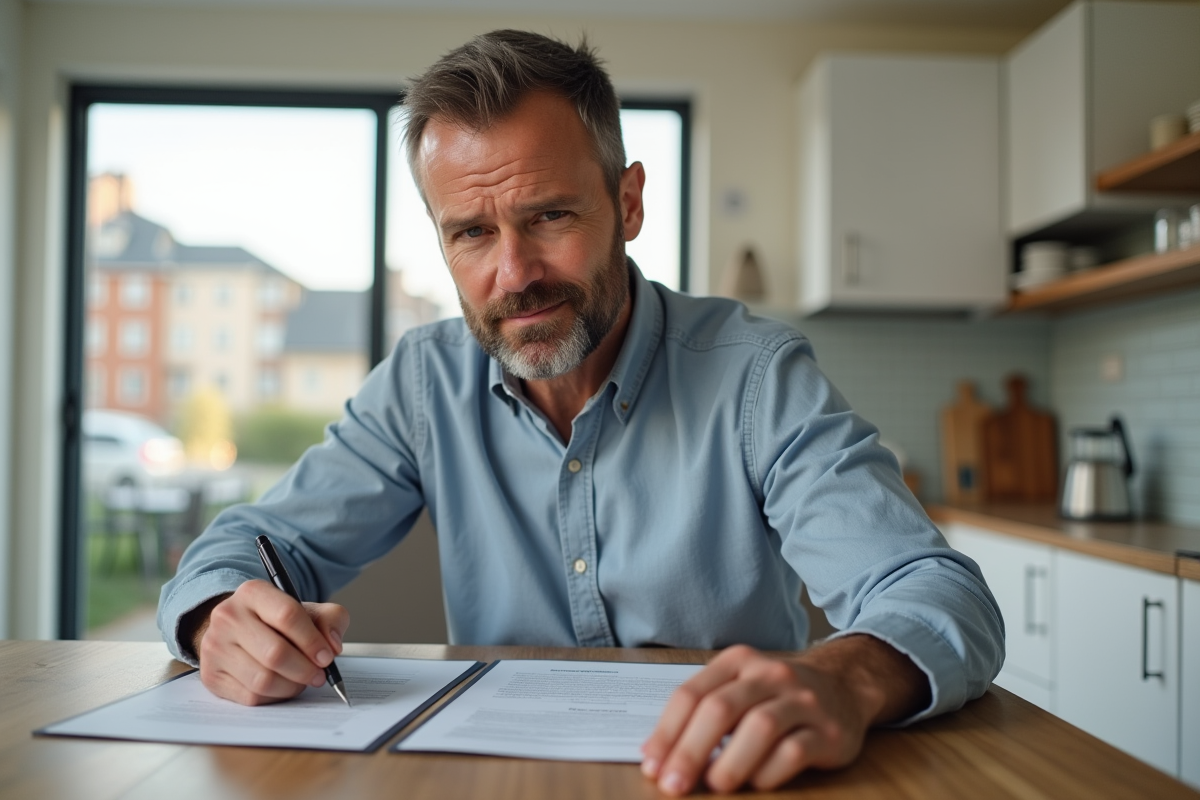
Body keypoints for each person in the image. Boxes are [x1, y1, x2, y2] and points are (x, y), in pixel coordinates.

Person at [157, 29, 1003, 795]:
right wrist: (216, 618)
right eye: (472, 234)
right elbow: (254, 542)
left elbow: (933, 590)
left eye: (549, 215)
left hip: (728, 777)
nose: (514, 272)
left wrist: (843, 679)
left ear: (628, 204)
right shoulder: (423, 381)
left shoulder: (755, 376)